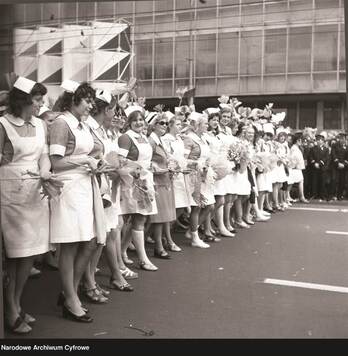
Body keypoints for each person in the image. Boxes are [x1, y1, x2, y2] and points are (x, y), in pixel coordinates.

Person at [49, 81, 105, 323]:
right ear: (74, 100)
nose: (91, 105)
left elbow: (89, 154)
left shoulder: (82, 125)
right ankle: (71, 299)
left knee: (90, 241)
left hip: (84, 185)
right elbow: (56, 162)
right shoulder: (62, 123)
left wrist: (96, 161)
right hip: (68, 188)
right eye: (87, 101)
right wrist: (85, 160)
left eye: (92, 101)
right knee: (71, 244)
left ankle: (68, 292)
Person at [0, 77, 51, 333]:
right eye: (38, 100)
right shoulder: (2, 125)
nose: (41, 105)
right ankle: (9, 308)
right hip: (10, 193)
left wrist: (45, 172)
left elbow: (44, 155)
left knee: (29, 255)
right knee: (15, 255)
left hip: (35, 194)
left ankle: (16, 303)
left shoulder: (41, 125)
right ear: (23, 100)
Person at [118, 107, 158, 271]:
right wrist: (135, 171)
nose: (138, 123)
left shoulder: (144, 138)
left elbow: (148, 158)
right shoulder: (126, 138)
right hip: (131, 182)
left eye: (141, 119)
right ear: (129, 122)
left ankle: (121, 251)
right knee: (136, 218)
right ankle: (143, 259)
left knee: (140, 217)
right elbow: (120, 161)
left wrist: (151, 166)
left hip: (146, 179)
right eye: (135, 120)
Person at [183, 113, 216, 248]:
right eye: (205, 124)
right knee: (197, 206)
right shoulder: (189, 139)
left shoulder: (203, 138)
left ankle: (192, 230)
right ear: (197, 125)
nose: (207, 126)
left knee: (210, 205)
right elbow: (183, 160)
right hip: (193, 175)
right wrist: (197, 165)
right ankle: (195, 237)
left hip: (205, 175)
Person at [148, 112, 177, 258]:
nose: (165, 126)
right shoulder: (151, 141)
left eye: (166, 123)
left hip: (164, 180)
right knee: (158, 218)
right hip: (157, 181)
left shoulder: (160, 140)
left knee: (162, 217)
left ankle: (160, 244)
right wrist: (162, 169)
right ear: (153, 125)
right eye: (162, 123)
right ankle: (158, 247)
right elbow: (148, 163)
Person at [308, 133, 331, 201]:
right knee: (314, 182)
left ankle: (322, 195)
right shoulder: (312, 149)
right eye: (317, 140)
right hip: (314, 168)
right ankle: (314, 194)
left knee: (322, 182)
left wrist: (320, 163)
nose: (318, 141)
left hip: (322, 168)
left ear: (323, 141)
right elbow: (310, 157)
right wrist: (314, 163)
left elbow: (326, 158)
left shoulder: (326, 149)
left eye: (320, 140)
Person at [331, 132, 348, 200]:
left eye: (343, 138)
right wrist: (338, 163)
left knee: (342, 181)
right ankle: (334, 195)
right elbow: (333, 155)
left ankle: (340, 195)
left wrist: (344, 164)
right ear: (339, 138)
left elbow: (347, 157)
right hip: (335, 166)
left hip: (343, 167)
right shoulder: (334, 145)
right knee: (335, 180)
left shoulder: (347, 146)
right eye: (341, 138)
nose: (342, 140)